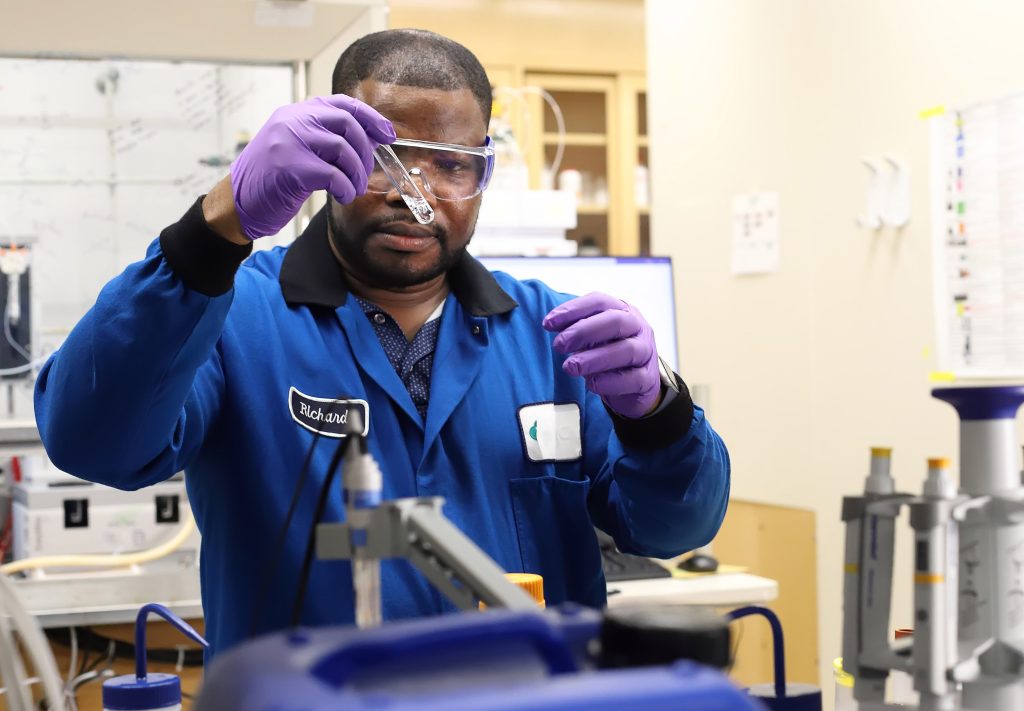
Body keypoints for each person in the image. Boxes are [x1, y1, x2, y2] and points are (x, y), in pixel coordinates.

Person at [33, 29, 730, 658]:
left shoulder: (554, 336)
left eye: (452, 165)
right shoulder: (232, 316)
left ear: (484, 174)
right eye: (384, 158)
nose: (414, 192)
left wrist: (658, 414)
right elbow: (91, 441)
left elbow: (674, 529)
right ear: (324, 156)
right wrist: (215, 228)